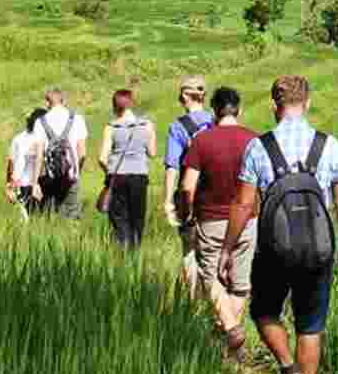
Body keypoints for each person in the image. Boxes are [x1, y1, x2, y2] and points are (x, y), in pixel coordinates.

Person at [219, 74, 338, 374]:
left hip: (273, 250)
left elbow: (242, 204)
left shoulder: (259, 146)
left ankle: (287, 366)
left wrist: (227, 248)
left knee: (264, 311)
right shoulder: (329, 145)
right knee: (310, 325)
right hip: (318, 249)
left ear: (274, 106)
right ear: (307, 103)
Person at [178, 86, 258, 362]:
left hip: (211, 218)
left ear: (213, 110)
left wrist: (186, 215)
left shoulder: (202, 141)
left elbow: (188, 186)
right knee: (240, 284)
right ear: (239, 109)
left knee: (208, 275)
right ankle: (228, 347)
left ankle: (231, 329)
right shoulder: (254, 140)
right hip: (248, 219)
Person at [162, 76, 215, 289]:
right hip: (217, 195)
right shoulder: (217, 121)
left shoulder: (178, 127)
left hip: (189, 196)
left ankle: (194, 300)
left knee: (189, 251)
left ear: (184, 95)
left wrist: (167, 201)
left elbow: (172, 166)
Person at [98, 88, 156, 250]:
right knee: (137, 219)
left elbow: (102, 158)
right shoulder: (147, 125)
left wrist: (109, 172)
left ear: (115, 105)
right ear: (132, 103)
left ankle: (121, 254)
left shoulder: (111, 127)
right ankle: (135, 254)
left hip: (118, 177)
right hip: (139, 176)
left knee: (119, 220)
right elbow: (152, 153)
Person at [37, 86, 87, 220]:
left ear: (47, 103)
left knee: (48, 218)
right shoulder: (77, 119)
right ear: (63, 101)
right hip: (71, 177)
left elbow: (39, 155)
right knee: (72, 218)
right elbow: (82, 153)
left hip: (49, 178)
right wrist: (76, 173)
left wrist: (35, 181)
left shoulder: (41, 122)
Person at [5, 107, 48, 219]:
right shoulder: (43, 139)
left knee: (25, 219)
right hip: (38, 184)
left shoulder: (18, 138)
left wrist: (8, 185)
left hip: (20, 184)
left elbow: (10, 164)